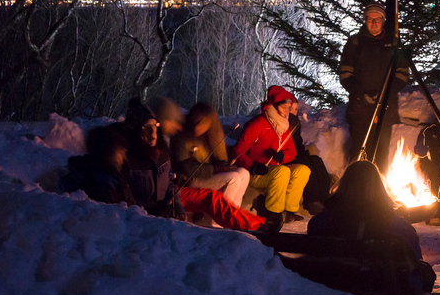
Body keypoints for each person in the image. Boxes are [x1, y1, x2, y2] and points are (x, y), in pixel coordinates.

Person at [124, 99, 264, 231]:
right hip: (182, 186)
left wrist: (176, 206)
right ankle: (235, 227)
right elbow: (132, 198)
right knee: (230, 180)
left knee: (228, 185)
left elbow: (168, 184)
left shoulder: (160, 149)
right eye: (147, 127)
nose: (152, 131)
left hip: (176, 191)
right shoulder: (132, 156)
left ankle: (253, 225)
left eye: (155, 126)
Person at [307, 160, 435, 294]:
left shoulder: (320, 221)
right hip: (381, 287)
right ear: (379, 186)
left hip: (332, 282)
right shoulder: (397, 225)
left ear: (344, 183)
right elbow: (415, 261)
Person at [339, 3, 410, 174]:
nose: (374, 22)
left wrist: (385, 94)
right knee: (358, 150)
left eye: (377, 19)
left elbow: (402, 74)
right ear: (365, 20)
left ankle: (380, 189)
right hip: (359, 108)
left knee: (381, 151)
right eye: (370, 19)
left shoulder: (394, 43)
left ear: (383, 20)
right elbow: (345, 74)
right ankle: (356, 189)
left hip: (385, 109)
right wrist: (361, 95)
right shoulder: (355, 43)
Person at [230, 85, 310, 230]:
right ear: (275, 106)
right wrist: (252, 166)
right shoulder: (258, 124)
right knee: (282, 172)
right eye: (285, 107)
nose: (288, 111)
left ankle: (289, 209)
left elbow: (292, 150)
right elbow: (238, 150)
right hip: (256, 172)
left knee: (303, 170)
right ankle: (273, 214)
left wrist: (283, 155)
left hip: (273, 169)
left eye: (289, 107)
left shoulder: (284, 126)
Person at [170, 102, 250, 211]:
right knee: (233, 178)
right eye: (196, 122)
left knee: (244, 173)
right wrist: (214, 168)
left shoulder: (211, 136)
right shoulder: (182, 135)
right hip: (190, 178)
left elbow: (217, 158)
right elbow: (185, 167)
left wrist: (222, 164)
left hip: (207, 174)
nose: (198, 127)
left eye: (203, 124)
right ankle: (221, 218)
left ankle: (235, 213)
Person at [61, 124, 135, 206]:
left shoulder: (110, 176)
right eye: (121, 151)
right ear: (109, 151)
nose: (124, 158)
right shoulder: (103, 183)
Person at [288, 98, 332, 215]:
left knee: (316, 160)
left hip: (296, 153)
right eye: (291, 109)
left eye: (296, 109)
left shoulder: (294, 122)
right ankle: (312, 201)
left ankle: (325, 198)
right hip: (286, 156)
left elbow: (297, 143)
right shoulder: (284, 122)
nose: (294, 112)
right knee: (304, 163)